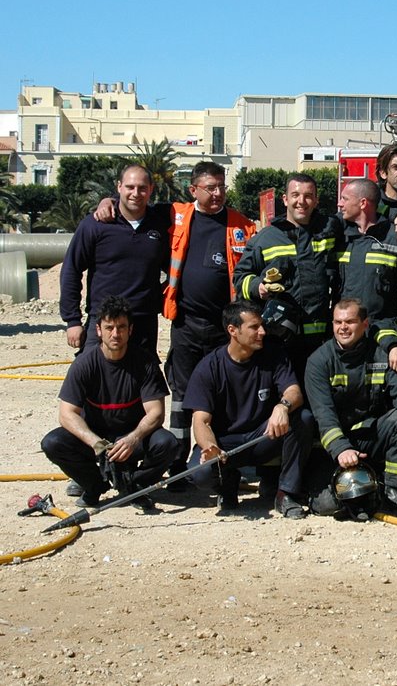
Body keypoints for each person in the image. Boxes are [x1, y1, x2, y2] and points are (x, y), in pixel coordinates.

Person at [91, 162, 259, 486]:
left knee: (223, 393)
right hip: (186, 324)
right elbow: (134, 205)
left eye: (221, 186)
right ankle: (178, 464)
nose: (217, 193)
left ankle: (223, 460)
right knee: (182, 396)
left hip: (225, 329)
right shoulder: (176, 215)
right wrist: (105, 201)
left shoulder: (242, 226)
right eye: (210, 187)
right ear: (193, 190)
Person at [304, 299, 397, 518]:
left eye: (350, 322)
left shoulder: (380, 354)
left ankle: (393, 489)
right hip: (333, 445)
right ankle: (365, 487)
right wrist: (341, 449)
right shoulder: (319, 361)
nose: (343, 327)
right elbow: (324, 415)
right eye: (338, 322)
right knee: (329, 505)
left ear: (365, 324)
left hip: (370, 434)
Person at [41, 295, 175, 511]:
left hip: (132, 437)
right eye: (109, 327)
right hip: (96, 438)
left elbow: (156, 413)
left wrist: (132, 439)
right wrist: (97, 444)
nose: (115, 334)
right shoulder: (84, 364)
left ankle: (135, 486)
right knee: (53, 443)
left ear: (130, 330)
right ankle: (94, 485)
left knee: (167, 444)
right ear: (98, 330)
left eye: (121, 327)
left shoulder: (145, 363)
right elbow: (67, 414)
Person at [183, 301, 313, 518]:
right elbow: (201, 420)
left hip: (263, 437)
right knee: (201, 472)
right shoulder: (209, 367)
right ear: (233, 331)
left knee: (303, 419)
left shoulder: (274, 354)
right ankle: (227, 485)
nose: (262, 331)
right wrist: (210, 448)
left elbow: (294, 392)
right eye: (254, 327)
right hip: (226, 444)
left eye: (261, 325)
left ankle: (286, 493)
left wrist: (282, 406)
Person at [234, 173, 342, 379]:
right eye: (295, 195)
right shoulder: (266, 238)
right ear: (285, 199)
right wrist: (258, 287)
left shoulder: (330, 229)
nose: (301, 201)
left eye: (308, 196)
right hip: (279, 339)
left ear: (316, 200)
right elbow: (240, 276)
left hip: (320, 340)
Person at [60, 164, 169, 357]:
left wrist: (160, 297)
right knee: (92, 380)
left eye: (142, 188)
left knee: (142, 384)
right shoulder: (95, 224)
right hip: (103, 321)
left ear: (151, 189)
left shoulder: (162, 223)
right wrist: (73, 321)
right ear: (119, 187)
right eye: (130, 187)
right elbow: (71, 270)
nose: (136, 193)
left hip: (143, 322)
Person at [337, 177, 397, 346]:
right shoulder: (338, 233)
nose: (340, 204)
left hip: (383, 332)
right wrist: (396, 213)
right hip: (346, 335)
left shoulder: (396, 236)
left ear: (363, 203)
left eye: (345, 199)